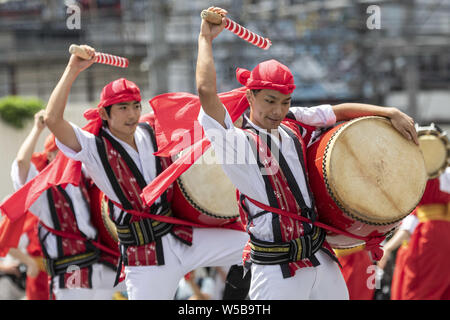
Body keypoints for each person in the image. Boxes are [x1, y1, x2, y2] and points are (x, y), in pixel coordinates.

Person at [195, 7, 419, 300]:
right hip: (276, 269)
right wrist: (205, 39)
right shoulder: (235, 144)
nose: (277, 110)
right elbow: (205, 90)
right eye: (270, 101)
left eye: (285, 101)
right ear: (250, 95)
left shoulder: (293, 124)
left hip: (320, 258)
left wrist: (389, 112)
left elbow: (337, 112)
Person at [42, 45, 249, 300]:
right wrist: (73, 68)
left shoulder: (151, 131)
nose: (131, 114)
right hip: (145, 257)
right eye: (122, 108)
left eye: (135, 106)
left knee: (259, 246)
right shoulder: (93, 147)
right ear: (104, 113)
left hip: (180, 237)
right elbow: (53, 119)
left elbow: (200, 115)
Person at [8, 110, 123, 300]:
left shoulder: (83, 179)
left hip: (100, 264)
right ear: (50, 157)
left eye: (68, 152)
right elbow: (21, 163)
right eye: (60, 153)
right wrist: (37, 129)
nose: (67, 157)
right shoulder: (43, 193)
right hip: (72, 269)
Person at [378, 166, 450, 300]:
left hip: (429, 237)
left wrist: (387, 248)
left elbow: (408, 227)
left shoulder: (428, 186)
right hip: (442, 236)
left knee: (418, 292)